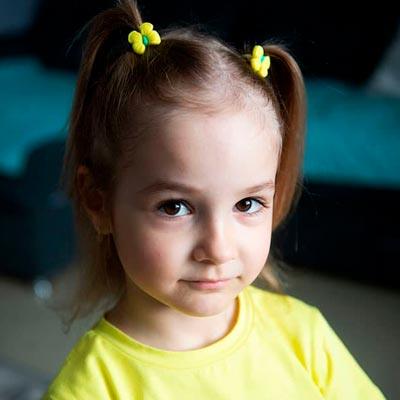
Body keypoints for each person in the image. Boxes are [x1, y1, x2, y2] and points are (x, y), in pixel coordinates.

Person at [42, 0, 386, 398]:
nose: (218, 249)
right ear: (98, 201)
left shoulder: (303, 333)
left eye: (247, 204)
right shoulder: (91, 387)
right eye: (175, 207)